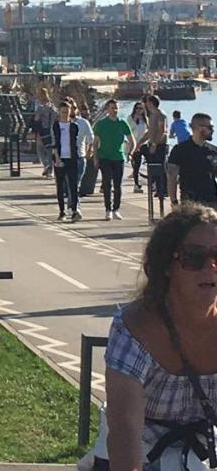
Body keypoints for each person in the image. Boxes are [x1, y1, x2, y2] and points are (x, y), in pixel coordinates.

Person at [98, 204, 217, 471]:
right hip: (142, 455)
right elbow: (125, 432)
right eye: (194, 257)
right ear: (166, 265)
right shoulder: (133, 328)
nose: (210, 267)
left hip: (205, 455)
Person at [93, 99, 135, 220]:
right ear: (107, 109)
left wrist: (130, 152)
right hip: (105, 157)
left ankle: (116, 209)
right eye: (112, 108)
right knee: (107, 183)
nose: (115, 110)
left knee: (118, 185)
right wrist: (95, 158)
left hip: (118, 157)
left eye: (116, 108)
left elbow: (132, 140)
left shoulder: (122, 123)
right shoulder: (101, 124)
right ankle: (108, 209)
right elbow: (95, 143)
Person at [167, 114, 217, 209]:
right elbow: (172, 176)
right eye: (210, 127)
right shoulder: (180, 150)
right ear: (198, 128)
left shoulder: (213, 151)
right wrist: (174, 201)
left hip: (212, 200)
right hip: (190, 202)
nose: (212, 130)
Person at [51, 103, 85, 221]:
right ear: (59, 112)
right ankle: (62, 211)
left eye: (67, 111)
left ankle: (75, 210)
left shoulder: (74, 126)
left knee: (73, 185)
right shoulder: (56, 125)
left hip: (72, 158)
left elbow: (75, 143)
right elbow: (54, 143)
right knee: (60, 186)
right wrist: (57, 159)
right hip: (60, 158)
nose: (65, 114)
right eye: (63, 112)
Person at [144, 95, 171, 207]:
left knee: (161, 167)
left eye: (148, 102)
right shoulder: (151, 115)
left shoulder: (161, 115)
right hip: (152, 143)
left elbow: (162, 130)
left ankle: (164, 190)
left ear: (152, 103)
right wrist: (141, 142)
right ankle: (157, 188)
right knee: (153, 167)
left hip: (160, 145)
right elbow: (150, 131)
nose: (146, 104)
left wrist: (155, 143)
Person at [32, 89, 58, 178]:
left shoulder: (40, 107)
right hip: (51, 130)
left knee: (40, 149)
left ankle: (46, 165)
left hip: (42, 130)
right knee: (49, 150)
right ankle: (50, 170)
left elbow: (36, 119)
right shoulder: (52, 106)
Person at [130, 101, 150, 193]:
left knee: (150, 161)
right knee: (136, 165)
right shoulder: (130, 118)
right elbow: (129, 131)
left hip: (144, 144)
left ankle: (152, 181)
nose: (139, 110)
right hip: (135, 144)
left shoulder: (145, 119)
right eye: (137, 108)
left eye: (141, 108)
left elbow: (148, 131)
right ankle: (136, 184)